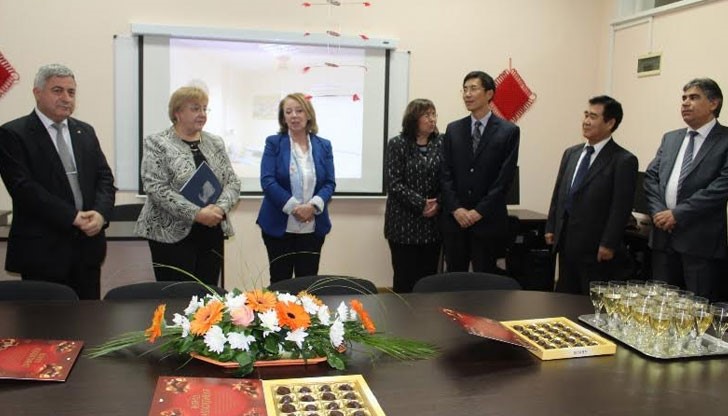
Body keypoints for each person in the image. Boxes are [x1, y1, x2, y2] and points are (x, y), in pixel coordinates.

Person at [0, 64, 116, 300]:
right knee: (43, 322)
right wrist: (72, 216)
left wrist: (100, 214)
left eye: (71, 92)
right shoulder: (13, 134)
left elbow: (104, 178)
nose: (66, 98)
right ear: (37, 93)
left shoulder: (85, 131)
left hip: (87, 250)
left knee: (89, 320)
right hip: (42, 252)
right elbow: (24, 189)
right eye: (57, 90)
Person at [135, 86, 240, 285]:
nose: (202, 114)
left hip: (211, 230)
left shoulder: (215, 142)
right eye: (195, 108)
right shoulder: (157, 143)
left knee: (207, 296)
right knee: (177, 296)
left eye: (204, 109)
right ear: (177, 113)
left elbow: (232, 182)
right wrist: (197, 213)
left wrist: (219, 209)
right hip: (170, 234)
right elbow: (156, 187)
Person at [644, 78, 728, 301]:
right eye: (683, 98)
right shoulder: (671, 138)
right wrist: (659, 212)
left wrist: (678, 214)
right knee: (661, 305)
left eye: (694, 97)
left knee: (696, 310)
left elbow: (721, 188)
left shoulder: (725, 140)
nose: (685, 103)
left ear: (713, 103)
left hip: (700, 243)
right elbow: (651, 177)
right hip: (663, 238)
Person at [545, 95, 638, 294]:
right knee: (564, 296)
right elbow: (559, 193)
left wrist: (608, 243)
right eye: (586, 115)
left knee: (588, 300)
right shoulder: (571, 153)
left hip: (596, 247)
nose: (586, 121)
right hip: (566, 241)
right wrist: (552, 226)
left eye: (593, 117)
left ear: (610, 123)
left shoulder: (623, 160)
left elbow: (621, 207)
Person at [440, 71, 520, 273]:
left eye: (473, 89)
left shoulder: (508, 131)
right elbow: (445, 173)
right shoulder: (453, 129)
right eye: (465, 89)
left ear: (489, 94)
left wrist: (478, 212)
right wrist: (457, 209)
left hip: (488, 221)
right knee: (454, 279)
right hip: (456, 221)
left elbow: (504, 179)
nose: (467, 94)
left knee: (485, 280)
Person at [256, 93, 336, 284]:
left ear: (308, 114)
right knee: (280, 283)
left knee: (307, 284)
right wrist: (295, 208)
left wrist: (312, 207)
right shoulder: (274, 143)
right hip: (278, 227)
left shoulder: (324, 145)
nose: (294, 115)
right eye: (288, 112)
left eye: (299, 111)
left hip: (312, 228)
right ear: (283, 118)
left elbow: (329, 183)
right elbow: (268, 181)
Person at [384, 99, 443, 293]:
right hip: (403, 224)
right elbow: (394, 183)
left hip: (432, 225)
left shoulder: (442, 143)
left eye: (433, 114)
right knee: (404, 280)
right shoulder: (397, 144)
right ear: (413, 118)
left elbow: (449, 178)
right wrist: (421, 204)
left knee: (428, 281)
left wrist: (438, 202)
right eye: (427, 115)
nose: (432, 119)